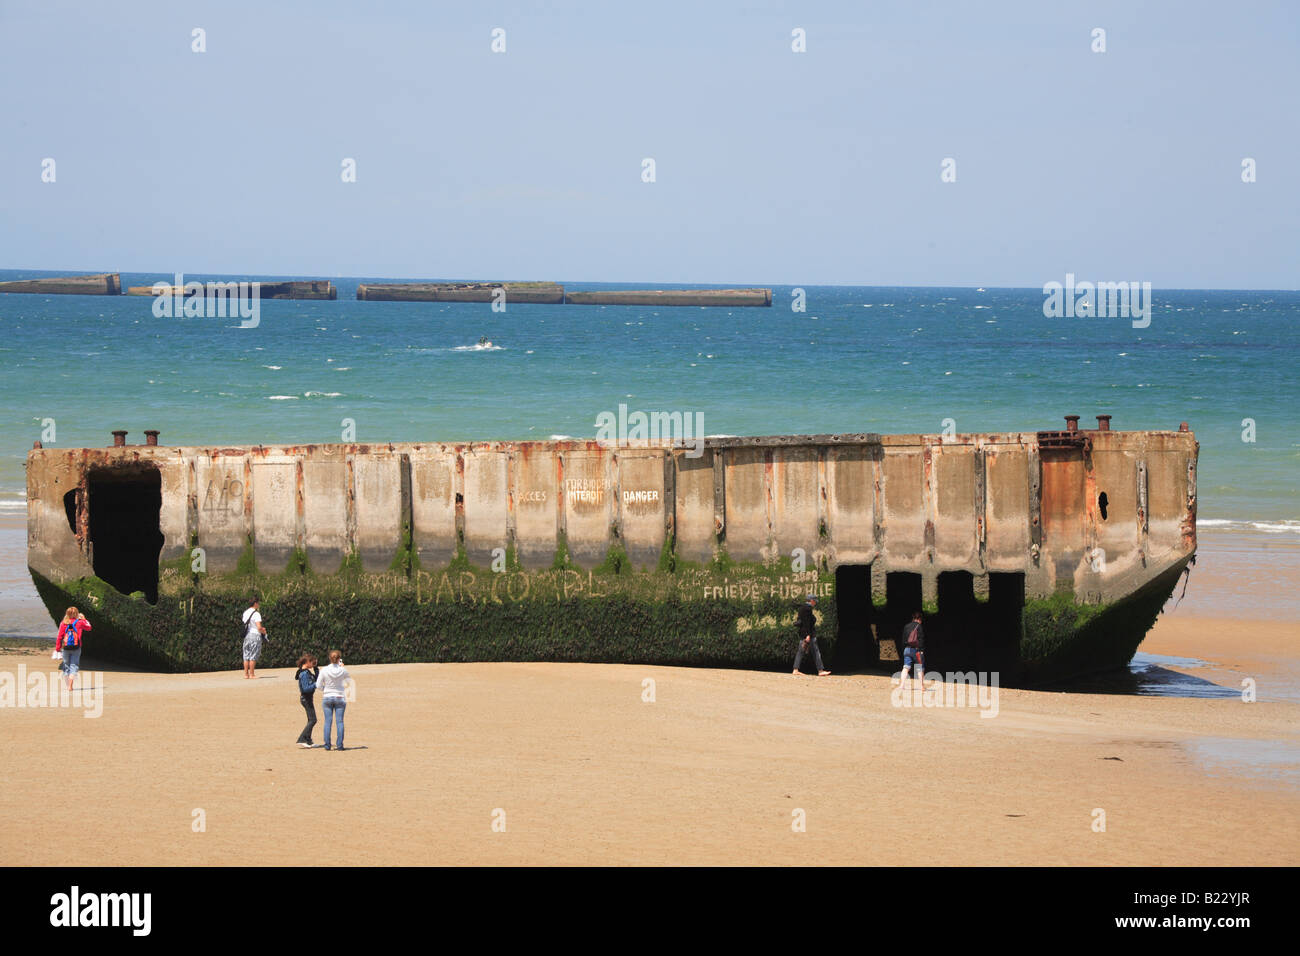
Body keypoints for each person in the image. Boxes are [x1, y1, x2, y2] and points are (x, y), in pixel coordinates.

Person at [317, 650, 351, 751]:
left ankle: (327, 745)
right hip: (340, 697)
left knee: (328, 722)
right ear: (339, 659)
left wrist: (326, 690)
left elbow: (318, 685)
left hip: (327, 697)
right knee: (339, 722)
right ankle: (340, 745)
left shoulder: (324, 670)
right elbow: (348, 682)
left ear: (329, 658)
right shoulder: (343, 670)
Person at [792, 594, 831, 676]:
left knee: (801, 651)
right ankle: (820, 670)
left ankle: (795, 669)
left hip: (804, 633)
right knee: (816, 652)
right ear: (811, 601)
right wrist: (808, 635)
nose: (815, 603)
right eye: (815, 601)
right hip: (809, 634)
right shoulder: (807, 608)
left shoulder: (802, 608)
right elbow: (807, 623)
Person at [56, 607, 91, 692]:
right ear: (77, 614)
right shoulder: (80, 622)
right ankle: (70, 686)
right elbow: (89, 628)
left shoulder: (63, 623)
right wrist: (84, 619)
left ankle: (68, 684)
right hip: (77, 647)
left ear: (67, 613)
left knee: (66, 666)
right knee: (74, 666)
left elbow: (59, 637)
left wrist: (57, 648)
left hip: (66, 647)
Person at [295, 654, 320, 748]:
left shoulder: (307, 672)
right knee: (313, 720)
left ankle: (308, 740)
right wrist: (316, 684)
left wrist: (316, 669)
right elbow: (306, 688)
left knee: (311, 719)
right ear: (307, 662)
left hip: (308, 698)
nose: (313, 664)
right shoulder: (304, 674)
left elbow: (317, 679)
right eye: (312, 662)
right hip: (306, 699)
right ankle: (302, 739)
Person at [241, 598, 267, 679]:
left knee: (246, 655)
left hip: (247, 635)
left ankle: (246, 674)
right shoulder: (256, 614)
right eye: (258, 603)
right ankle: (252, 674)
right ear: (255, 603)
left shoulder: (245, 612)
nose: (259, 605)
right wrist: (264, 631)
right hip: (255, 635)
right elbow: (258, 627)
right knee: (253, 655)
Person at [900, 610, 926, 681]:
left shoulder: (906, 626)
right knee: (920, 669)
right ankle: (922, 686)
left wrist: (904, 650)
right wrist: (921, 650)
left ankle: (902, 685)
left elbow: (903, 640)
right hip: (916, 650)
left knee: (905, 668)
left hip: (907, 649)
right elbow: (921, 639)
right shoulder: (919, 626)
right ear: (920, 619)